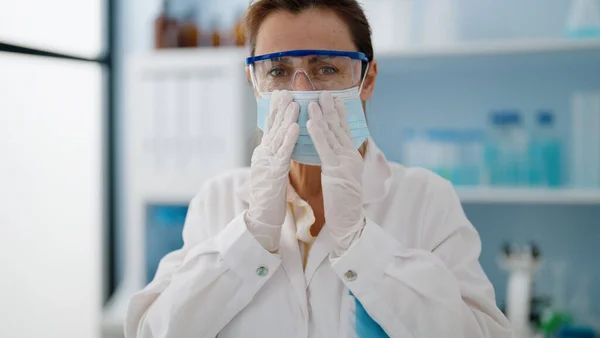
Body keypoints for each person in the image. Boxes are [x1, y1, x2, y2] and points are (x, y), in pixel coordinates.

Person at [125, 1, 512, 337]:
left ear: (367, 79)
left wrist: (362, 246)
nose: (303, 90)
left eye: (326, 68)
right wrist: (251, 236)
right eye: (277, 70)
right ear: (254, 83)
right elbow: (152, 331)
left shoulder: (426, 200)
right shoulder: (218, 200)